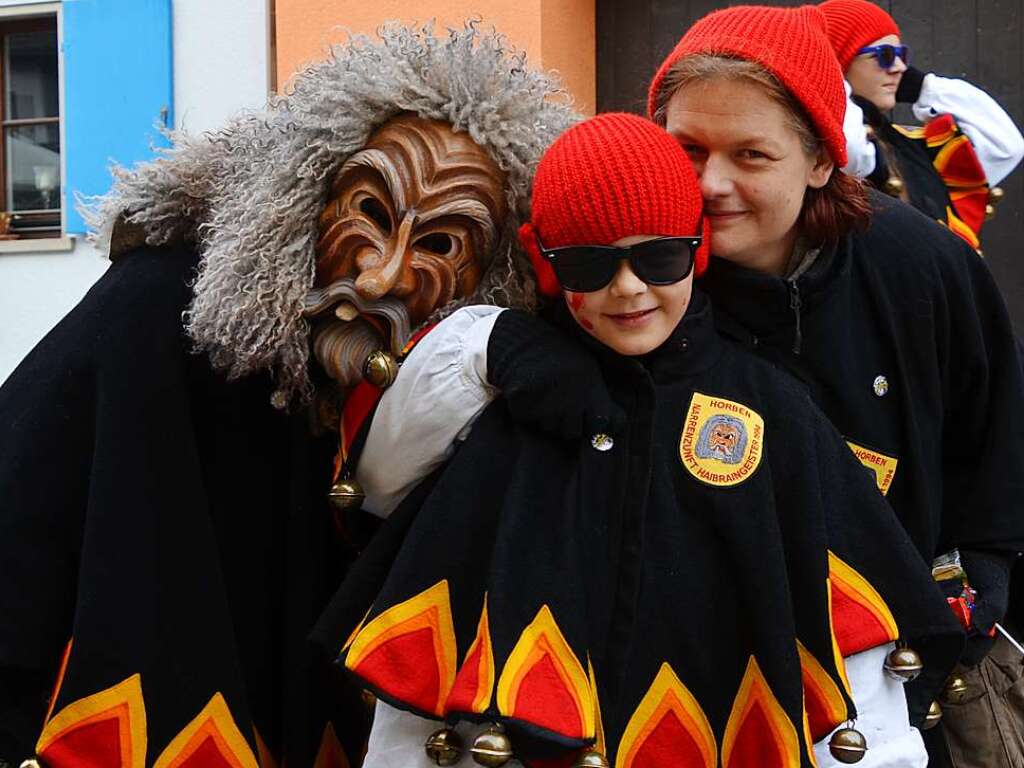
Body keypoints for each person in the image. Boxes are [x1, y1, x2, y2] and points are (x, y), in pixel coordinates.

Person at [337, 5, 1024, 766]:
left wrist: (984, 563)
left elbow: (988, 430)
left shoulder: (921, 266)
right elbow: (401, 441)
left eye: (753, 155)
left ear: (822, 159)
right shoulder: (608, 260)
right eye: (688, 147)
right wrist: (494, 343)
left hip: (859, 648)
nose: (712, 182)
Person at [0, 23, 579, 768]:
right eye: (368, 211)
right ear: (302, 199)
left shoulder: (470, 380)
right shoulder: (159, 309)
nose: (380, 280)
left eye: (440, 245)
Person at [819, 0, 1024, 249]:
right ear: (837, 64)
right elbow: (850, 150)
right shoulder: (826, 150)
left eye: (900, 55)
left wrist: (924, 87)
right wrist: (829, 76)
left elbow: (1005, 147)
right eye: (884, 56)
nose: (900, 67)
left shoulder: (913, 146)